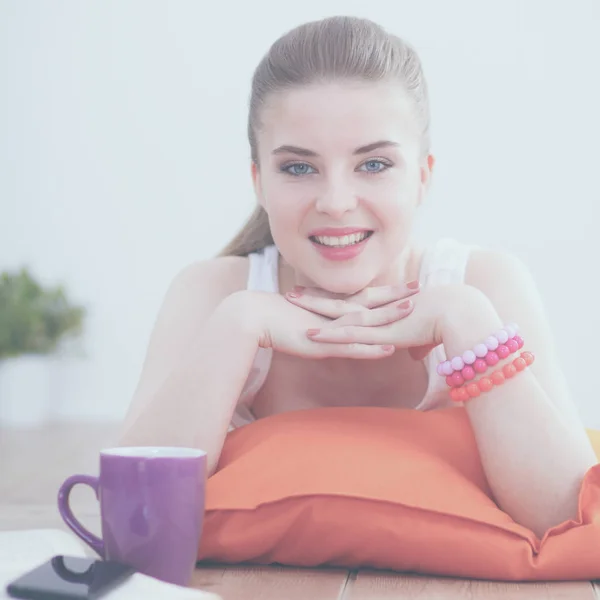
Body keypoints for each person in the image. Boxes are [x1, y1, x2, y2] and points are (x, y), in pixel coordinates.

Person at [118, 15, 597, 538]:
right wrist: (238, 325)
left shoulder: (486, 284)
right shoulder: (214, 294)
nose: (337, 203)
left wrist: (466, 321)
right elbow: (128, 517)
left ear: (422, 177)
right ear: (259, 181)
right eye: (299, 168)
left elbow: (571, 516)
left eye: (373, 165)